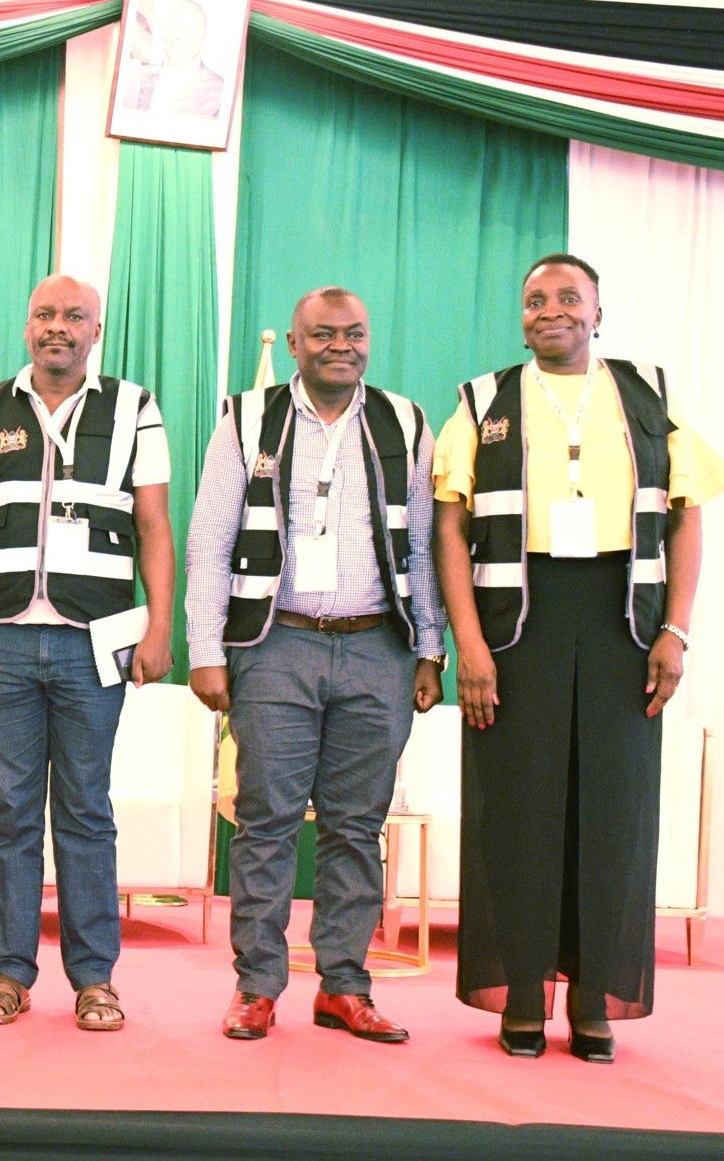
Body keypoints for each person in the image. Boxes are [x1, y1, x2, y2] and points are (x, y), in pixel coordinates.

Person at [432, 253, 724, 1063]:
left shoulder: (648, 395)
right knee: (516, 811)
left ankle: (595, 996)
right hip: (515, 628)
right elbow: (450, 528)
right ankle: (524, 993)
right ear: (520, 316)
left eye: (570, 297)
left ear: (598, 312)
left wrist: (677, 631)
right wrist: (468, 644)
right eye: (535, 300)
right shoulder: (482, 401)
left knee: (613, 811)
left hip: (622, 626)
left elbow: (687, 515)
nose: (551, 310)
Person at [185, 287, 446, 1045]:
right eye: (324, 335)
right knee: (265, 822)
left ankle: (344, 987)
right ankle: (257, 986)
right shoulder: (247, 419)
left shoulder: (405, 422)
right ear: (295, 345)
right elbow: (209, 541)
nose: (342, 346)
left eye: (354, 334)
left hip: (378, 649)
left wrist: (430, 648)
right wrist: (206, 651)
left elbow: (423, 545)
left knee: (356, 826)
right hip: (276, 644)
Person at [0, 274, 176, 1032]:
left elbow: (155, 524)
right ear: (26, 326)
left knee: (85, 809)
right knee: (12, 813)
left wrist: (159, 627)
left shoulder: (134, 406)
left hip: (94, 640)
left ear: (95, 331)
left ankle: (94, 978)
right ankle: (9, 972)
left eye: (75, 316)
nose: (58, 327)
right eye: (45, 314)